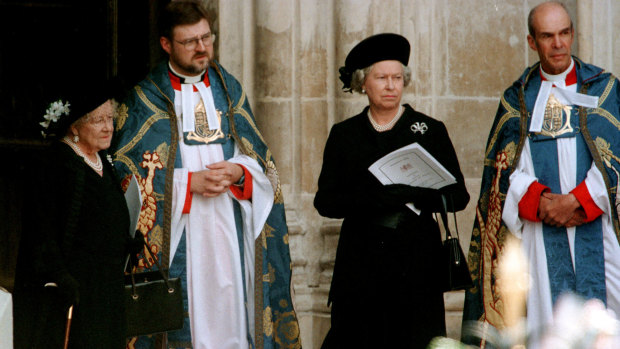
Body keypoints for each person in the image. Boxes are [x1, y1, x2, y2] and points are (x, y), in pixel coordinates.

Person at [110, 1, 300, 348]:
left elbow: (261, 160)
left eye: (207, 38)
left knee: (233, 320)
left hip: (229, 233)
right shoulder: (144, 100)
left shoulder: (229, 89)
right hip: (183, 235)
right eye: (190, 41)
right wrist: (186, 185)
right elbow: (127, 178)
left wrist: (240, 173)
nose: (202, 48)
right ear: (166, 44)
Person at [462, 1, 620, 344]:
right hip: (539, 232)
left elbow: (615, 157)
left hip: (600, 232)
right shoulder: (516, 100)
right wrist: (543, 203)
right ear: (533, 42)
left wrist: (579, 201)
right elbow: (504, 174)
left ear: (573, 34)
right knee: (547, 327)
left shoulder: (605, 90)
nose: (558, 44)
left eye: (564, 33)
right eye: (548, 36)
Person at [314, 33, 470, 348]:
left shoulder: (428, 129)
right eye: (381, 78)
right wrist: (371, 197)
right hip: (360, 264)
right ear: (363, 83)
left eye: (397, 78)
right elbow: (325, 201)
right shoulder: (345, 135)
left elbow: (459, 196)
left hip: (416, 263)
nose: (391, 86)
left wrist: (413, 192)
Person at [12, 81, 139, 348]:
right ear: (75, 126)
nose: (108, 127)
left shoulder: (103, 159)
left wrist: (127, 241)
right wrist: (59, 275)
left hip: (105, 287)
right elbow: (41, 231)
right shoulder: (55, 164)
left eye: (110, 119)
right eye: (98, 121)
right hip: (73, 292)